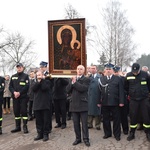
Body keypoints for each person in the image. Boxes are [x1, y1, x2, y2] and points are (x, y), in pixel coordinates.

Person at [98, 63, 124, 141]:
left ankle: (117, 134)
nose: (108, 71)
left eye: (110, 69)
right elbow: (98, 91)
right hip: (105, 102)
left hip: (115, 102)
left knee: (116, 119)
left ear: (113, 70)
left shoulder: (118, 79)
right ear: (104, 70)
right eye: (107, 69)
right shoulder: (102, 79)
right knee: (105, 119)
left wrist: (121, 101)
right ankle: (107, 133)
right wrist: (98, 101)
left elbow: (121, 91)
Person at [125, 63, 150, 141]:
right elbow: (126, 86)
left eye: (136, 71)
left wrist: (146, 94)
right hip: (133, 99)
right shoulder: (128, 75)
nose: (135, 72)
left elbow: (149, 85)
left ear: (140, 69)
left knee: (146, 116)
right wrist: (130, 93)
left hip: (144, 99)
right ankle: (132, 133)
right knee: (133, 116)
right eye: (133, 71)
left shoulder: (145, 74)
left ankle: (148, 133)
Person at [66, 65, 90, 147]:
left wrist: (75, 82)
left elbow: (83, 88)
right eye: (78, 69)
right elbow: (67, 90)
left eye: (81, 69)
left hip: (83, 104)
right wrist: (72, 83)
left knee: (84, 124)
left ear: (84, 71)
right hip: (74, 104)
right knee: (76, 124)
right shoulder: (72, 79)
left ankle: (86, 139)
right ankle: (78, 138)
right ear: (76, 70)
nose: (79, 70)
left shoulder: (86, 79)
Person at [32, 70, 53, 141]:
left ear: (43, 75)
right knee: (38, 120)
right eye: (37, 75)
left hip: (45, 104)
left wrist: (42, 80)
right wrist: (38, 82)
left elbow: (44, 88)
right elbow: (33, 89)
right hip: (37, 104)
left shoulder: (47, 82)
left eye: (40, 75)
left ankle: (45, 134)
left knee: (46, 120)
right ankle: (39, 134)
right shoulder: (34, 82)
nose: (39, 76)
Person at [9, 63, 29, 134]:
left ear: (22, 68)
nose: (19, 68)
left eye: (20, 67)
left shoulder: (26, 76)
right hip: (15, 98)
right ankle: (18, 127)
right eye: (17, 67)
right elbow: (10, 86)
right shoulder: (13, 76)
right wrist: (14, 92)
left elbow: (26, 86)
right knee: (16, 112)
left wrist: (19, 92)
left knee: (24, 112)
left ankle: (25, 126)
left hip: (23, 98)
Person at [113, 66, 129, 135]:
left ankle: (125, 129)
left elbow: (127, 88)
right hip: (115, 100)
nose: (116, 73)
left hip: (123, 99)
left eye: (117, 72)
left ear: (119, 72)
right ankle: (117, 130)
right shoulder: (112, 79)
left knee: (124, 116)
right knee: (116, 116)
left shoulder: (123, 79)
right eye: (115, 72)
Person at [39, 61, 54, 132]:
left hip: (48, 95)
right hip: (41, 96)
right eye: (41, 67)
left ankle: (49, 128)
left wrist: (44, 78)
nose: (41, 68)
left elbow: (51, 84)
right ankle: (44, 128)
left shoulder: (49, 75)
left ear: (46, 67)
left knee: (48, 113)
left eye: (43, 67)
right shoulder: (39, 74)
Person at [88, 65, 102, 130]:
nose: (92, 70)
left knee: (97, 111)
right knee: (89, 111)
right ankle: (89, 124)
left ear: (96, 69)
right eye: (91, 68)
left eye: (94, 68)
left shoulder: (100, 77)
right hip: (89, 96)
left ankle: (97, 125)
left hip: (97, 96)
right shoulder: (88, 77)